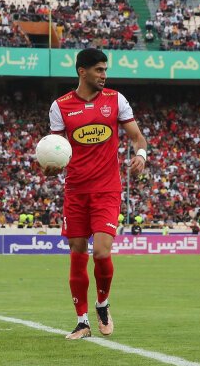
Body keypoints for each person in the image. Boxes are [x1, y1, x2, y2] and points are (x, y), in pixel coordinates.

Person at [44, 48, 147, 340]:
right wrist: (50, 166)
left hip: (106, 189)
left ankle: (102, 303)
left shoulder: (116, 100)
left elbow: (138, 137)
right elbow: (56, 148)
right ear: (82, 72)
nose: (104, 75)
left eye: (105, 70)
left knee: (101, 251)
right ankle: (82, 322)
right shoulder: (60, 106)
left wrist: (140, 155)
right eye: (99, 70)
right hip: (76, 190)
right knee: (77, 252)